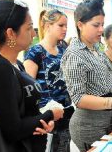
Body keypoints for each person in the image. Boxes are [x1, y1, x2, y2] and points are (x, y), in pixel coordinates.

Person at [0, 0, 64, 151]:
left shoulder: (16, 64)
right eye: (29, 28)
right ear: (11, 33)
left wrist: (43, 122)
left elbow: (23, 114)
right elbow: (13, 129)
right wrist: (50, 114)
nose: (34, 34)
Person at [60, 0, 112, 152]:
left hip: (108, 120)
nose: (101, 29)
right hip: (88, 126)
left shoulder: (96, 48)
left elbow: (100, 85)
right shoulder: (74, 54)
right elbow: (78, 98)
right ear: (80, 25)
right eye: (96, 25)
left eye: (102, 24)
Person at [23, 9, 72, 152]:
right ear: (48, 26)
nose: (65, 29)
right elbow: (28, 89)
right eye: (61, 25)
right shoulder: (35, 52)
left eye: (66, 26)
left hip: (65, 114)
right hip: (46, 117)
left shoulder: (64, 49)